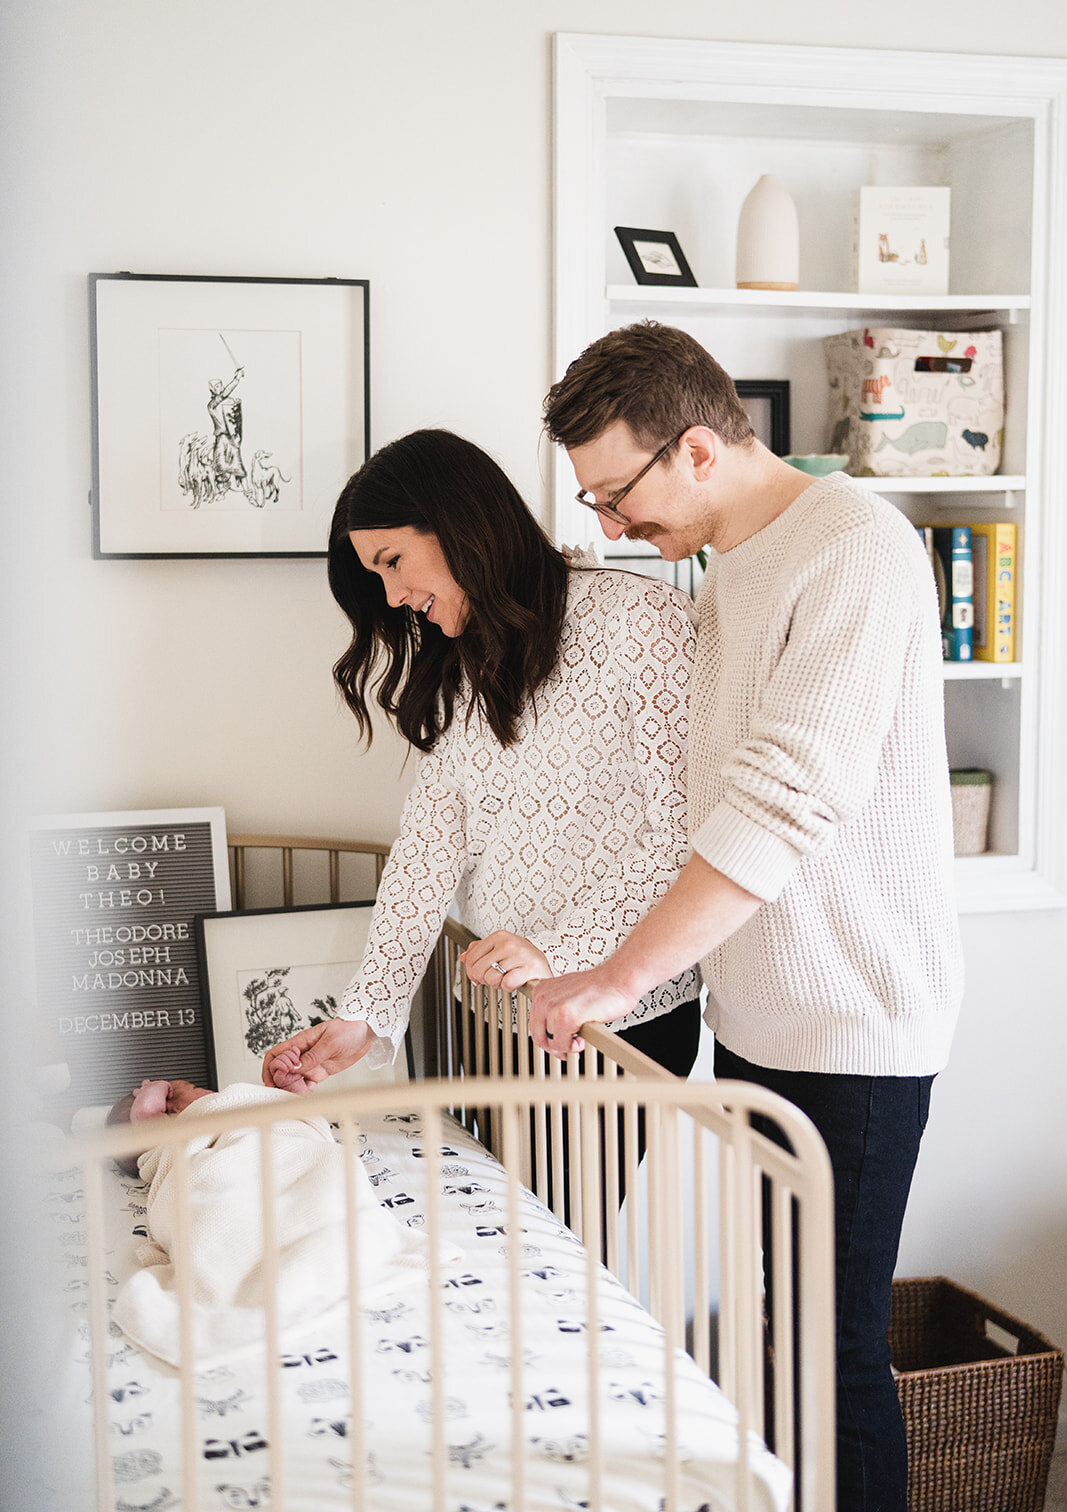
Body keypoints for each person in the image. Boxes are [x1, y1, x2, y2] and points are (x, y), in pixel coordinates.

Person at [523, 321, 963, 1512]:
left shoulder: (853, 550)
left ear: (698, 447)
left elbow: (787, 795)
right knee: (785, 1339)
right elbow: (691, 804)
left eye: (616, 493)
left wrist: (616, 979)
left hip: (852, 1030)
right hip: (764, 1020)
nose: (610, 524)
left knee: (832, 1358)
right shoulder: (726, 570)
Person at [261, 428, 702, 1097]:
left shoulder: (640, 621)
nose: (391, 596)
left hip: (611, 1021)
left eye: (392, 561)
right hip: (495, 1017)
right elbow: (428, 849)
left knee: (563, 1207)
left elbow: (687, 831)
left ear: (456, 524)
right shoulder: (469, 662)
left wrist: (563, 950)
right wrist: (364, 1014)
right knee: (502, 1204)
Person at [106, 1076, 444, 1367]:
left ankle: (325, 1234)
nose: (205, 1092)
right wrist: (151, 1088)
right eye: (186, 1089)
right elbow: (148, 1113)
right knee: (219, 1202)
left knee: (328, 1168)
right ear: (165, 1108)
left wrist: (292, 1094)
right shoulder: (165, 1132)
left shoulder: (245, 1107)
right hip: (218, 1171)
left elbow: (301, 1121)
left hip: (286, 1150)